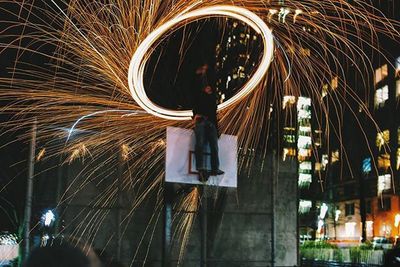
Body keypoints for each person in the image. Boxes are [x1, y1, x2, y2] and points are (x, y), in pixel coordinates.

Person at [192, 63, 224, 182]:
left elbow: (215, 114)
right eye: (207, 87)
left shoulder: (212, 99)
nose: (208, 88)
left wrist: (217, 130)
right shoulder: (200, 95)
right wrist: (195, 115)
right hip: (202, 121)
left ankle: (215, 168)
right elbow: (195, 102)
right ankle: (201, 168)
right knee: (200, 145)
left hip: (210, 123)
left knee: (214, 146)